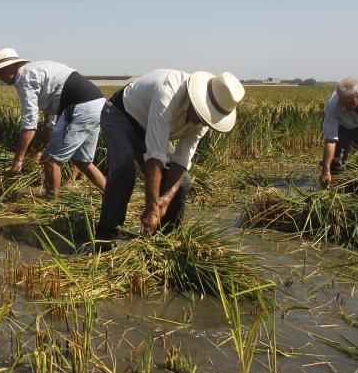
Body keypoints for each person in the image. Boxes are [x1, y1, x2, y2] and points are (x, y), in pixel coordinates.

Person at [93, 69, 245, 252]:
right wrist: (151, 208)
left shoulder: (204, 121)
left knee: (182, 184)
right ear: (197, 102)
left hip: (150, 127)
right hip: (120, 114)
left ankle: (165, 242)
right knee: (125, 169)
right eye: (204, 116)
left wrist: (164, 200)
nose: (204, 123)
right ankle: (105, 237)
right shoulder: (168, 92)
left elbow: (182, 160)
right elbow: (154, 157)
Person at [0, 48, 107, 197]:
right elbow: (52, 118)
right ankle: (112, 198)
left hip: (80, 107)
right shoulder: (38, 69)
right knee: (82, 160)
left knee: (50, 160)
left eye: (1, 71)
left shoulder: (24, 76)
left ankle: (51, 205)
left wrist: (18, 161)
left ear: (13, 66)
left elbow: (30, 123)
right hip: (97, 105)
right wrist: (42, 146)